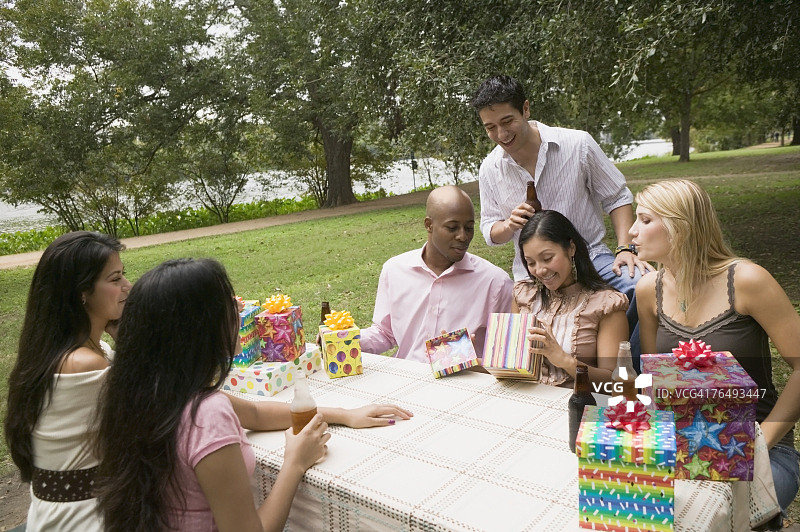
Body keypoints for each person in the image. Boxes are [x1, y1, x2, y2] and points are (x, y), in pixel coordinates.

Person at [94, 258, 412, 531]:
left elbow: (256, 415)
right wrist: (295, 463)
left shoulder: (149, 389)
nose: (239, 306)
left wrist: (344, 414)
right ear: (201, 328)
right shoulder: (206, 413)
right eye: (228, 302)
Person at [631, 179, 800, 519]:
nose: (632, 231)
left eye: (645, 220)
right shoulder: (648, 290)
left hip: (763, 448)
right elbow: (656, 382)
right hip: (685, 448)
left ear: (680, 226)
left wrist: (760, 444)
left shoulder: (749, 281)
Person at [471, 75, 652, 348]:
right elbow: (489, 230)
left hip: (591, 259)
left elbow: (618, 197)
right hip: (533, 272)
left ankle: (629, 373)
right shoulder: (490, 168)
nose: (501, 135)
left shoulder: (578, 144)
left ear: (526, 109)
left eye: (507, 122)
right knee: (521, 344)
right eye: (490, 128)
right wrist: (509, 225)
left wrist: (626, 248)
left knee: (644, 286)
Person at [3, 231, 131, 531]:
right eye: (115, 280)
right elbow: (164, 404)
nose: (128, 286)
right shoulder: (83, 364)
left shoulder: (70, 351)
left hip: (58, 514)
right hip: (86, 520)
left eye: (124, 275)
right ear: (81, 292)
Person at [360, 185, 513, 363]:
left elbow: (507, 355)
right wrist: (347, 340)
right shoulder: (394, 270)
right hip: (405, 379)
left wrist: (467, 357)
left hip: (464, 385)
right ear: (429, 225)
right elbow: (385, 333)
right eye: (452, 227)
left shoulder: (495, 282)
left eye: (469, 227)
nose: (463, 236)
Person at [513, 210, 629, 388]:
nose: (540, 270)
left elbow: (614, 383)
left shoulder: (607, 305)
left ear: (571, 248)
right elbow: (509, 364)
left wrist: (564, 360)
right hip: (524, 399)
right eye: (531, 262)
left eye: (547, 258)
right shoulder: (523, 295)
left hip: (577, 406)